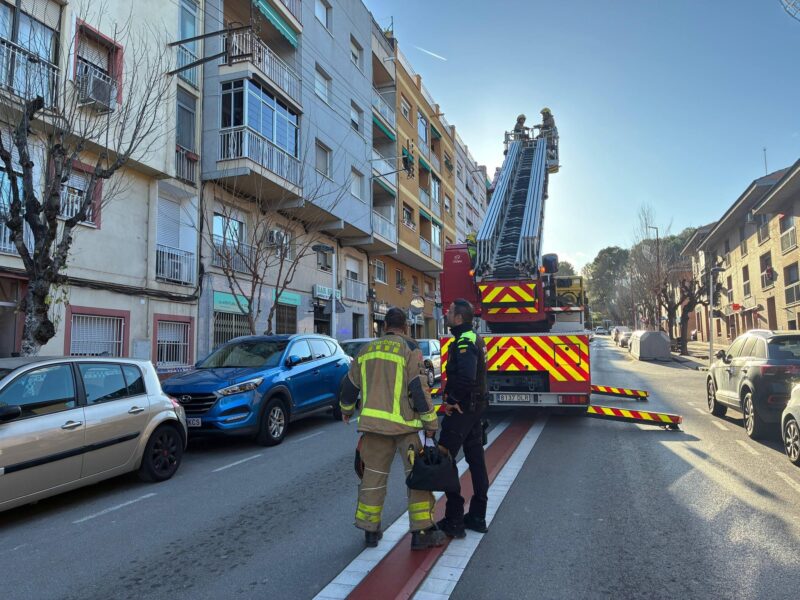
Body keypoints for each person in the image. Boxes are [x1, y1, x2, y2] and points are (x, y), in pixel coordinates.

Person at [339, 307, 446, 550]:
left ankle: (370, 531)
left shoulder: (366, 350)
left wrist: (346, 410)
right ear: (405, 327)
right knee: (417, 479)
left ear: (384, 326)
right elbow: (418, 389)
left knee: (372, 479)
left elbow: (349, 385)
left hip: (374, 429)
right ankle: (421, 533)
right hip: (406, 428)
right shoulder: (410, 349)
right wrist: (430, 423)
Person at [436, 299, 490, 538]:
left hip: (463, 409)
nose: (446, 313)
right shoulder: (472, 337)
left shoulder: (465, 340)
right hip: (474, 408)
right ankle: (477, 516)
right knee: (476, 460)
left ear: (458, 318)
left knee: (444, 458)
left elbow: (466, 377)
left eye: (449, 311)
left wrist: (452, 400)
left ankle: (454, 519)